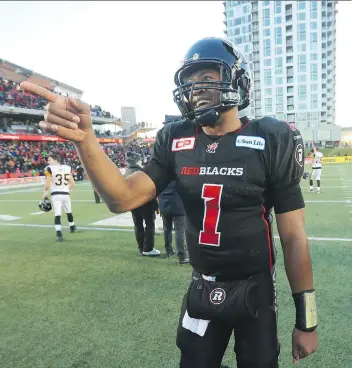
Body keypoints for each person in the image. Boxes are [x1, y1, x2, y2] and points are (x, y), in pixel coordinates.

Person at [21, 36, 318, 367]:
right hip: (202, 287)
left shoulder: (271, 138)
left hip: (256, 291)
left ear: (237, 81)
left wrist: (307, 321)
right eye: (190, 83)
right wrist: (85, 139)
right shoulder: (177, 137)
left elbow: (293, 237)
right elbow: (122, 198)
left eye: (207, 79)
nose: (197, 90)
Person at [124, 151, 160, 256]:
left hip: (133, 203)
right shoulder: (140, 172)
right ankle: (148, 248)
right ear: (137, 160)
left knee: (138, 224)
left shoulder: (127, 171)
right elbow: (148, 189)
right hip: (144, 202)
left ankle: (141, 247)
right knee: (150, 224)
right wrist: (155, 204)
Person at [43, 154, 76, 242]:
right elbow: (72, 183)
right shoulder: (67, 168)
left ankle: (59, 234)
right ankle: (72, 227)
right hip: (65, 194)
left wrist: (45, 193)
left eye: (50, 160)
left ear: (55, 160)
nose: (48, 161)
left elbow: (47, 184)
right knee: (69, 211)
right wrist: (67, 189)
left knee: (57, 214)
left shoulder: (49, 168)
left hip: (56, 194)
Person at [158, 180, 189, 264]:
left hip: (164, 206)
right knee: (180, 231)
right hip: (178, 206)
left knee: (167, 229)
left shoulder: (163, 179)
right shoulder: (178, 179)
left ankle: (168, 250)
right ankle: (182, 256)